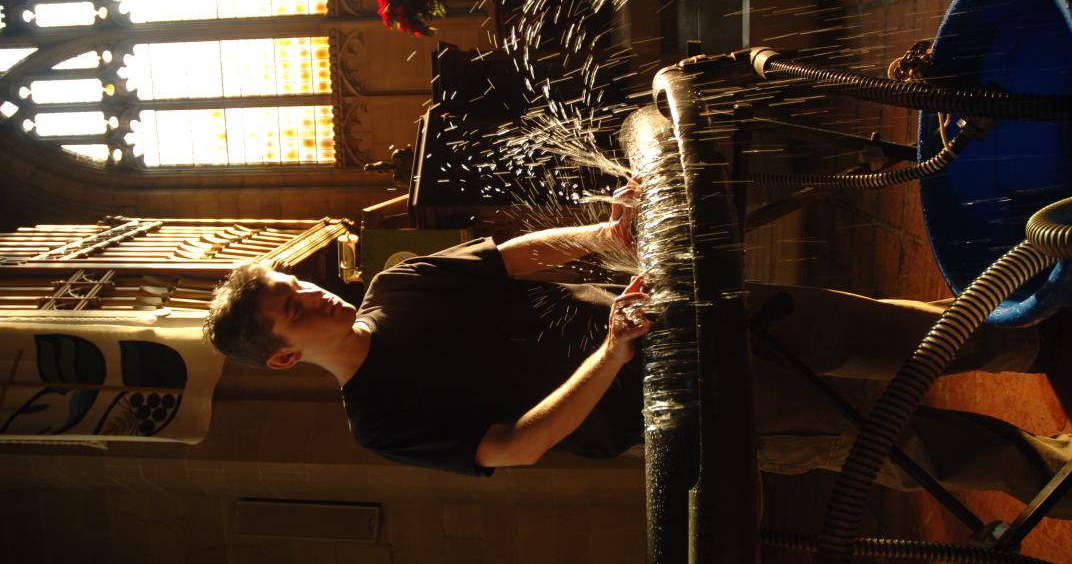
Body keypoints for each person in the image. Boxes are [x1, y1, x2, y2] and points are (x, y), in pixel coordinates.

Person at [203, 183, 1072, 517]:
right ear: (283, 356)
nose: (315, 293)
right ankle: (1053, 479)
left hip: (684, 311)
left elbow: (515, 259)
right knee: (894, 441)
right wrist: (612, 356)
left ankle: (1038, 340)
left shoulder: (400, 284)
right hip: (682, 408)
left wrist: (605, 233)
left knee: (883, 329)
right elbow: (515, 445)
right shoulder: (377, 418)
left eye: (297, 283)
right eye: (294, 309)